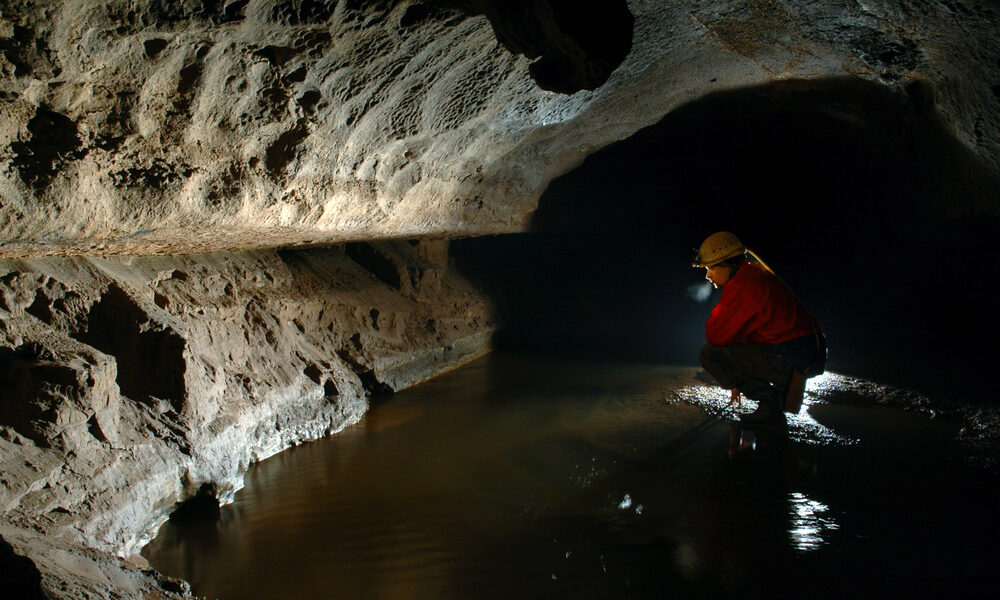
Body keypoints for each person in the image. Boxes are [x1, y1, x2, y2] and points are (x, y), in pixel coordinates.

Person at [692, 232, 827, 424]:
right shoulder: (753, 274)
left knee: (709, 354)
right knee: (738, 345)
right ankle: (774, 400)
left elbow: (715, 335)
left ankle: (770, 401)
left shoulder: (742, 287)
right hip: (804, 352)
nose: (708, 275)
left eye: (711, 267)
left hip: (795, 357)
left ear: (728, 264)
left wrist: (736, 377)